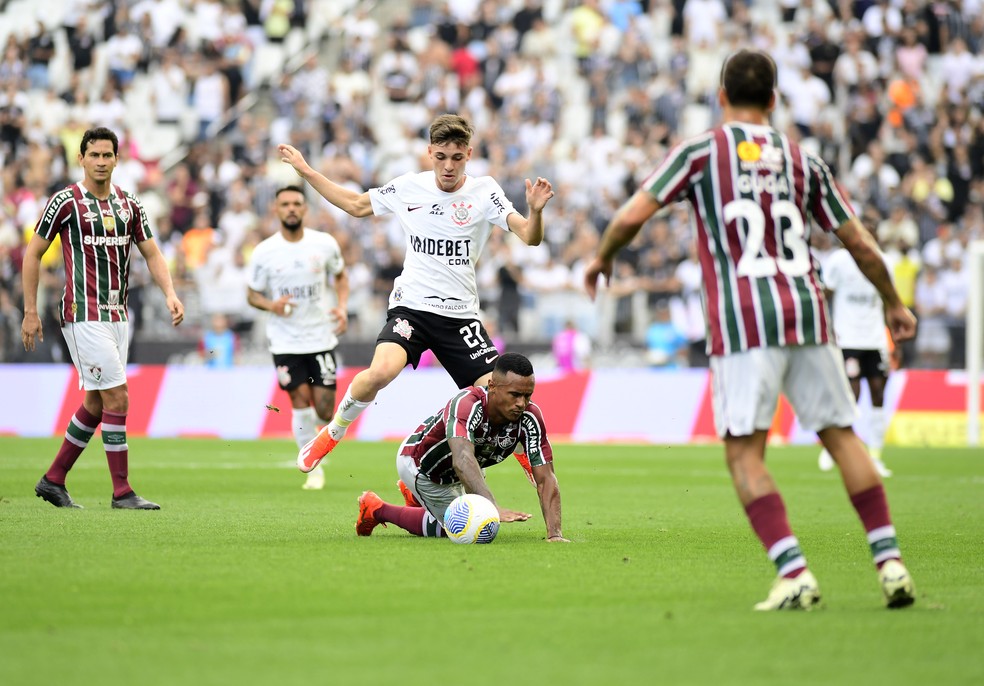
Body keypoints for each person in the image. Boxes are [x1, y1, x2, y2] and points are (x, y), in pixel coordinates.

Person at [584, 50, 917, 611]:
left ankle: (795, 574)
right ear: (774, 99)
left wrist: (602, 257)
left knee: (744, 454)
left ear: (720, 97)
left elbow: (630, 217)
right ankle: (890, 564)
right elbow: (858, 241)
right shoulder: (802, 159)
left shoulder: (700, 152)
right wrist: (893, 303)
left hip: (743, 323)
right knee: (842, 436)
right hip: (809, 314)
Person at [278, 113, 555, 476]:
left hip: (460, 317)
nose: (448, 166)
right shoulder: (410, 187)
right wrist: (307, 172)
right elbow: (356, 205)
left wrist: (535, 211)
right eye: (441, 157)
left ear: (468, 154)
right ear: (429, 153)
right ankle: (333, 432)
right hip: (413, 309)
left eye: (457, 158)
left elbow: (530, 237)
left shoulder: (485, 192)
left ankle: (523, 454)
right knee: (380, 372)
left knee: (500, 397)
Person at [21, 126, 184, 510]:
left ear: (116, 159)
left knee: (96, 402)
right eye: (93, 155)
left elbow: (153, 254)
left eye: (106, 155)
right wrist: (31, 310)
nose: (100, 161)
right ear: (81, 159)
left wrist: (171, 293)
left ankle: (53, 480)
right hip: (82, 313)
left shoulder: (130, 205)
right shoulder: (65, 202)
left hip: (117, 315)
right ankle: (122, 492)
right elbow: (32, 255)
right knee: (118, 395)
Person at [354, 352, 569, 543]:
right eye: (514, 395)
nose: (522, 403)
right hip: (423, 466)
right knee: (466, 528)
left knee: (477, 518)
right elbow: (463, 458)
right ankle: (377, 509)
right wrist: (492, 507)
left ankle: (417, 498)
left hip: (468, 465)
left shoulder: (530, 417)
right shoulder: (467, 403)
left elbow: (546, 477)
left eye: (527, 395)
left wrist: (555, 534)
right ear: (492, 386)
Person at [246, 185, 349, 491]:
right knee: (299, 401)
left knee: (325, 410)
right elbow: (252, 294)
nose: (291, 208)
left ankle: (315, 447)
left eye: (296, 204)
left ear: (305, 209)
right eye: (285, 204)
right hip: (285, 341)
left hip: (321, 337)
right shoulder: (264, 251)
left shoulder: (324, 244)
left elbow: (341, 276)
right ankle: (313, 467)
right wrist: (271, 305)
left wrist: (341, 307)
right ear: (276, 210)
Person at [818, 234, 894, 478]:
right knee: (852, 393)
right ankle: (835, 448)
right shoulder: (839, 260)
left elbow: (889, 299)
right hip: (847, 337)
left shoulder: (883, 260)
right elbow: (825, 294)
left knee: (878, 392)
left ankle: (875, 456)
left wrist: (894, 339)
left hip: (875, 340)